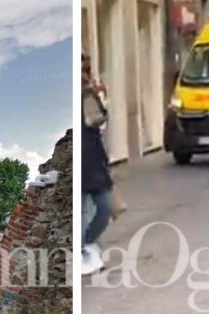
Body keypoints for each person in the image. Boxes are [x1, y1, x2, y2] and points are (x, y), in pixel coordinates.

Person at [82, 56, 113, 276]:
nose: (85, 74)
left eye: (86, 69)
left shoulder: (89, 94)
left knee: (105, 207)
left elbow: (99, 121)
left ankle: (88, 243)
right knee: (82, 211)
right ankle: (82, 252)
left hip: (95, 158)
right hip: (81, 161)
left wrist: (101, 97)